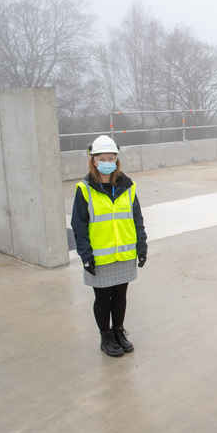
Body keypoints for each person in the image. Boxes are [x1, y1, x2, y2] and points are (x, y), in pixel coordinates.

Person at [71, 135, 148, 357]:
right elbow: (79, 225)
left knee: (121, 296)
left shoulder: (128, 186)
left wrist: (141, 246)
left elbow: (137, 219)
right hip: (100, 256)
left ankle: (119, 331)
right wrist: (86, 255)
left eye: (111, 157)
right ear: (93, 161)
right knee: (103, 299)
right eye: (103, 158)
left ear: (117, 159)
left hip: (124, 253)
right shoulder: (85, 189)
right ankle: (106, 336)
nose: (108, 161)